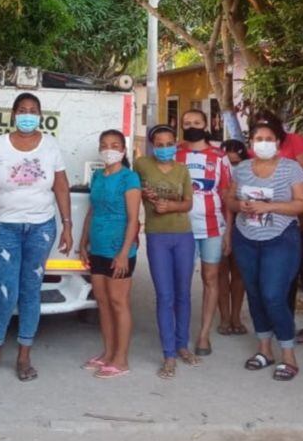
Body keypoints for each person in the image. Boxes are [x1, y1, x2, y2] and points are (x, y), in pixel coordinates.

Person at [0, 93, 73, 382]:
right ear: (13, 114)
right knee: (5, 292)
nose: (27, 115)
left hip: (41, 228)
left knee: (31, 291)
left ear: (40, 115)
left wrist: (67, 225)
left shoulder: (50, 146)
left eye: (32, 111)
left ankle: (24, 356)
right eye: (22, 110)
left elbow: (62, 187)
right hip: (3, 226)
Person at [226, 121, 303, 382]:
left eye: (269, 138)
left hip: (280, 239)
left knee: (273, 295)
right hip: (246, 238)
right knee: (254, 293)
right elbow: (229, 199)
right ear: (251, 143)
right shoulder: (241, 169)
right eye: (258, 138)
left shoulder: (291, 168)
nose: (263, 142)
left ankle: (288, 354)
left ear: (277, 142)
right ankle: (264, 350)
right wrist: (240, 204)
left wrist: (269, 207)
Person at [250, 109, 303, 344]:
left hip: (301, 214)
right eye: (258, 129)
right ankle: (285, 321)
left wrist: (302, 210)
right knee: (283, 273)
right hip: (271, 218)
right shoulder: (258, 147)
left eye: (268, 126)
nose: (263, 136)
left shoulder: (297, 143)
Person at [134, 124, 196, 379]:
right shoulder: (141, 165)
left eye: (168, 143)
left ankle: (182, 345)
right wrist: (144, 194)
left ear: (176, 143)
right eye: (159, 144)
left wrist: (170, 206)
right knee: (165, 295)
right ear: (152, 145)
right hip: (157, 236)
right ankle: (168, 353)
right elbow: (132, 190)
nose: (164, 148)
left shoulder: (182, 170)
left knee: (183, 294)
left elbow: (189, 203)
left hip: (183, 235)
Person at [78, 130, 141, 379]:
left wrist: (124, 253)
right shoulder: (97, 176)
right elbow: (92, 211)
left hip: (120, 249)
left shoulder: (129, 178)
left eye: (114, 145)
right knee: (102, 303)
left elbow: (134, 219)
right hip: (99, 248)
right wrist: (84, 243)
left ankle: (121, 359)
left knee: (119, 302)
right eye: (104, 145)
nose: (109, 149)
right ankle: (107, 353)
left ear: (123, 150)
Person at [177, 109, 233, 356]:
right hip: (181, 227)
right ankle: (180, 333)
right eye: (187, 123)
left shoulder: (220, 157)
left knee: (210, 279)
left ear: (206, 124)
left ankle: (203, 335)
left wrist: (228, 233)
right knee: (182, 280)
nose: (192, 126)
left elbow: (228, 196)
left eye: (197, 122)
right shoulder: (175, 153)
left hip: (212, 226)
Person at [219, 140, 250, 336]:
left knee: (239, 274)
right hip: (217, 224)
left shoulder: (249, 172)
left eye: (237, 162)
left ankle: (236, 317)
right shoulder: (215, 169)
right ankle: (224, 318)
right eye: (228, 161)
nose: (232, 167)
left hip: (244, 225)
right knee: (221, 273)